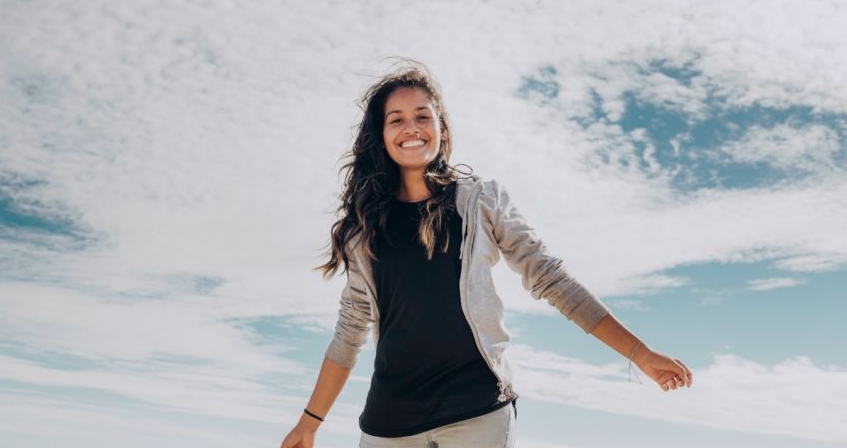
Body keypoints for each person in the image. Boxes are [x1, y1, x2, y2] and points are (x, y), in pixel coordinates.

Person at [280, 59, 693, 448]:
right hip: (389, 422)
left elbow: (551, 279)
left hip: (476, 411)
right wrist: (309, 422)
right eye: (397, 119)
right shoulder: (364, 230)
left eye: (423, 116)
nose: (412, 128)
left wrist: (640, 354)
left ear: (441, 127)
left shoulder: (480, 202)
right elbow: (350, 330)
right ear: (382, 134)